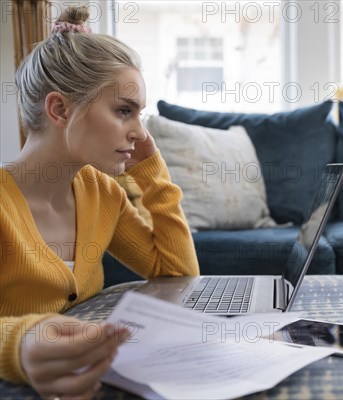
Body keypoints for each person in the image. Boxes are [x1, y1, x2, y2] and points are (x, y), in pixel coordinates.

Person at [0, 6, 200, 399]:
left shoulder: (102, 192)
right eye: (124, 111)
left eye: (138, 114)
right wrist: (20, 342)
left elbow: (175, 273)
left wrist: (152, 172)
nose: (140, 133)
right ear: (60, 109)